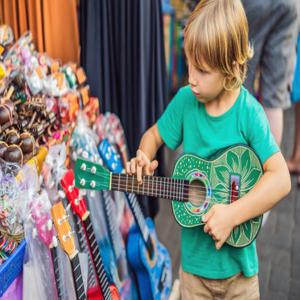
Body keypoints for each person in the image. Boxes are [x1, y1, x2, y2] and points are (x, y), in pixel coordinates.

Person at [126, 0, 291, 298]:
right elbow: (153, 135)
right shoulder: (185, 101)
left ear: (231, 68)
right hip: (193, 275)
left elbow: (281, 179)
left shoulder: (249, 113)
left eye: (202, 70)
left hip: (241, 276)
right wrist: (143, 155)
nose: (191, 77)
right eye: (189, 62)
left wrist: (232, 215)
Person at [242, 0, 299, 146]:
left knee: (239, 83)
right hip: (290, 4)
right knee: (274, 97)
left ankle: (240, 162)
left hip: (253, 5)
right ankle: (271, 167)